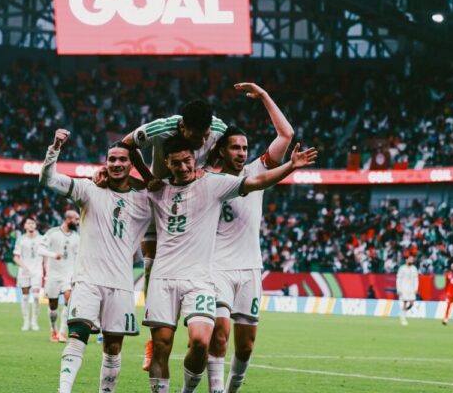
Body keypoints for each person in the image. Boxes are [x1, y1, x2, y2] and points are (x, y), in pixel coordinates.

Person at [144, 135, 317, 393]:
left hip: (200, 278)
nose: (183, 167)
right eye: (176, 163)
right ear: (167, 164)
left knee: (203, 341)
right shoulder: (157, 190)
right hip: (166, 276)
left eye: (188, 161)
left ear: (196, 160)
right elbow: (123, 192)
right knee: (162, 346)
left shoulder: (213, 184)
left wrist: (290, 166)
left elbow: (258, 181)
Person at [117, 99, 227, 371]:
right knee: (151, 261)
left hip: (194, 198)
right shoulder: (160, 129)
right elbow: (124, 145)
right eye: (195, 136)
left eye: (204, 136)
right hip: (160, 197)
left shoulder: (219, 129)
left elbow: (229, 145)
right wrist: (146, 177)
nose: (201, 141)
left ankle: (197, 317)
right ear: (181, 127)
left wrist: (210, 165)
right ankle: (155, 339)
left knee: (200, 255)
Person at [40, 129, 152, 393]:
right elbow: (48, 180)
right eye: (111, 159)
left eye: (122, 159)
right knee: (77, 336)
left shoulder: (144, 202)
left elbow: (164, 191)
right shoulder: (87, 190)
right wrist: (54, 147)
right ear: (105, 163)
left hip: (121, 285)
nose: (116, 164)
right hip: (87, 280)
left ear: (130, 164)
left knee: (113, 348)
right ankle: (63, 390)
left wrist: (142, 181)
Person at [206, 82, 294, 393]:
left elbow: (287, 136)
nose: (242, 153)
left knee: (245, 348)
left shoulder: (257, 170)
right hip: (216, 269)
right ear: (221, 150)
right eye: (235, 147)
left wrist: (266, 97)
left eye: (244, 148)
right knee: (219, 335)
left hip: (250, 270)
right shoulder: (208, 181)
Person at [38, 210, 80, 342]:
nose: (78, 222)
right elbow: (40, 249)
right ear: (68, 219)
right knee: (53, 305)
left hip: (69, 274)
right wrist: (53, 255)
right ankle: (53, 329)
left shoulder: (77, 237)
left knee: (69, 297)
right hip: (53, 274)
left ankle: (62, 332)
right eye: (76, 219)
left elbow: (79, 256)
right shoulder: (53, 233)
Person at [13, 217, 44, 331]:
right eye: (28, 223)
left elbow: (45, 257)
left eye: (32, 223)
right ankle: (26, 322)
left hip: (37, 270)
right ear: (25, 226)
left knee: (36, 296)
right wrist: (23, 266)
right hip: (24, 271)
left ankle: (34, 322)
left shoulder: (42, 239)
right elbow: (16, 257)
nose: (31, 225)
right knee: (25, 297)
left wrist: (47, 270)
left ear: (35, 225)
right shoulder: (21, 239)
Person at [396, 255, 419, 326]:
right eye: (410, 259)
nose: (411, 261)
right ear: (406, 260)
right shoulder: (402, 268)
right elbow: (398, 279)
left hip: (411, 289)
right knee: (405, 302)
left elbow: (416, 279)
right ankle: (403, 318)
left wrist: (416, 288)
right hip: (404, 288)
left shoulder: (414, 268)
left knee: (412, 303)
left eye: (412, 260)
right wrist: (399, 289)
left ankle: (403, 313)